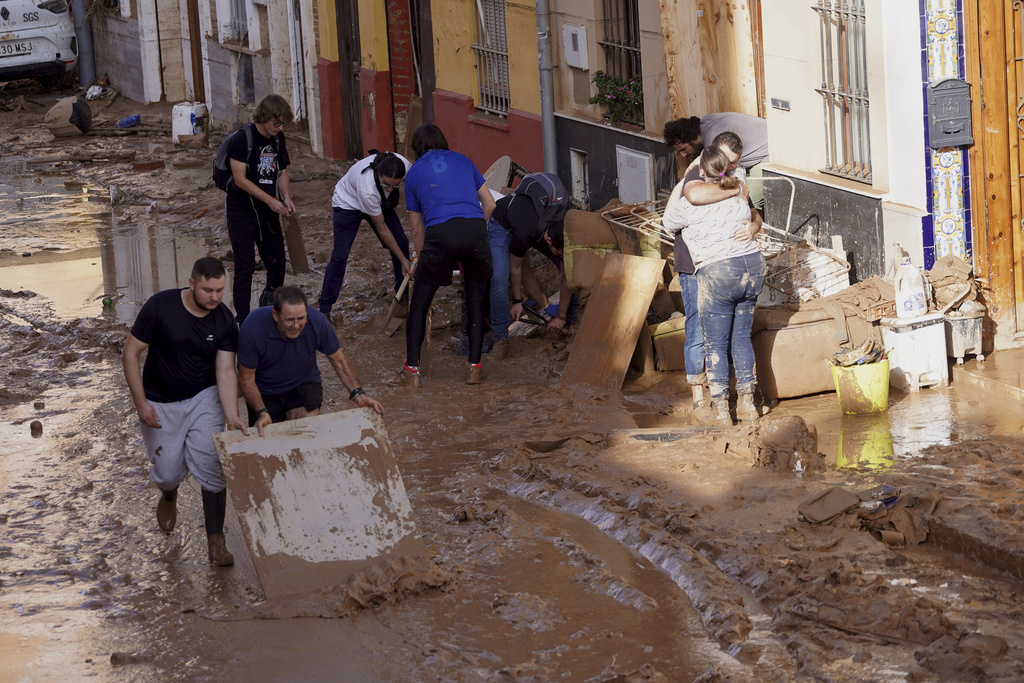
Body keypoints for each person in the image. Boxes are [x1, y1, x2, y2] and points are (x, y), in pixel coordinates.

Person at [121, 257, 248, 567]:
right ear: (192, 284)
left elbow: (225, 371)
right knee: (168, 472)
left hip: (204, 398)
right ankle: (168, 494)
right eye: (208, 290)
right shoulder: (160, 306)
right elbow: (131, 352)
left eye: (220, 290)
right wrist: (141, 403)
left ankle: (216, 541)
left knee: (212, 464)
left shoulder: (224, 320)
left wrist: (232, 415)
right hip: (160, 401)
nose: (214, 297)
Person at [662, 146, 764, 426]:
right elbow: (755, 217)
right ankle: (748, 405)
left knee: (715, 344)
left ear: (701, 172)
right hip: (752, 268)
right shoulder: (740, 196)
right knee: (741, 338)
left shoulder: (689, 205)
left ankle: (721, 410)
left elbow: (667, 221)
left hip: (719, 272)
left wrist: (681, 183)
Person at [401, 124, 495, 387]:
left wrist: (421, 259)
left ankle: (411, 373)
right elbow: (490, 204)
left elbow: (417, 229)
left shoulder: (413, 173)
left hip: (439, 232)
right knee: (475, 301)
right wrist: (473, 231)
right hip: (475, 228)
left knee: (419, 304)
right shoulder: (463, 160)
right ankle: (474, 369)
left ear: (416, 147)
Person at [237, 286, 383, 436]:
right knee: (269, 436)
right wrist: (261, 411)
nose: (296, 326)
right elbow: (246, 379)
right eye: (290, 320)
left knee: (304, 429)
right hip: (265, 390)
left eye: (301, 318)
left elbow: (339, 360)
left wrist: (358, 394)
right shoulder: (253, 328)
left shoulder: (317, 321)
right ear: (275, 315)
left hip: (302, 383)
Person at [225, 94, 296, 325]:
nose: (280, 128)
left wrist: (286, 197)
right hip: (242, 208)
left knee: (277, 263)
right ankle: (243, 321)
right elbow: (240, 179)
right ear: (264, 117)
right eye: (277, 123)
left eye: (283, 123)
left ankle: (269, 310)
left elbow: (282, 171)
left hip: (268, 209)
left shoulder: (278, 138)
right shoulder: (242, 139)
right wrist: (270, 200)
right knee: (245, 266)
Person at [317, 151, 413, 320]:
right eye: (386, 184)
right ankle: (325, 308)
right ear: (378, 174)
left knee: (401, 242)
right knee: (340, 255)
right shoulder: (367, 187)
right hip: (348, 203)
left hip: (378, 201)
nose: (390, 189)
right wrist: (404, 260)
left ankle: (402, 293)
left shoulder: (404, 165)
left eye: (395, 186)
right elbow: (382, 229)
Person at [489, 172, 575, 342]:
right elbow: (518, 269)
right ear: (549, 241)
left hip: (535, 222)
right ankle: (500, 337)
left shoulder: (564, 223)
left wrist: (561, 315)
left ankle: (570, 321)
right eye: (559, 252)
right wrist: (518, 300)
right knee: (499, 277)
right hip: (501, 224)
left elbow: (568, 277)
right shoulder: (524, 233)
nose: (560, 255)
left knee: (571, 268)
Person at [663, 112, 768, 208]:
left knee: (748, 201)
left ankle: (756, 221)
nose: (683, 155)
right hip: (766, 139)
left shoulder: (713, 142)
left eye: (683, 149)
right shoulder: (706, 122)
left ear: (693, 138)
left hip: (768, 153)